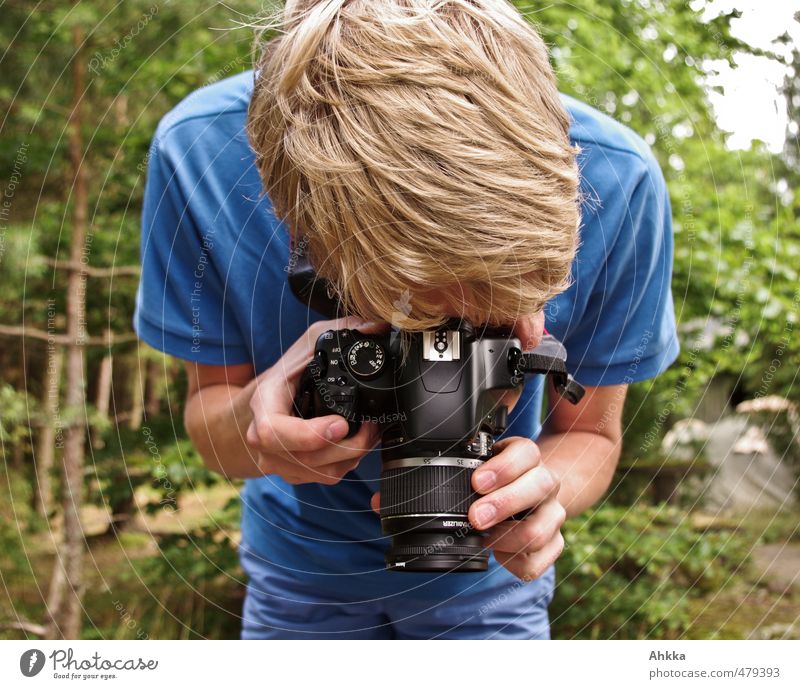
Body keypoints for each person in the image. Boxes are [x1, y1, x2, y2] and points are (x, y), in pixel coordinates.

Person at [134, 0, 679, 639]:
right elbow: (210, 422)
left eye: (483, 323)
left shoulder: (619, 181)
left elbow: (593, 436)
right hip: (300, 574)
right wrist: (259, 422)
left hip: (490, 585)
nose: (435, 350)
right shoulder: (200, 155)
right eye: (404, 313)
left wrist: (536, 493)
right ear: (307, 240)